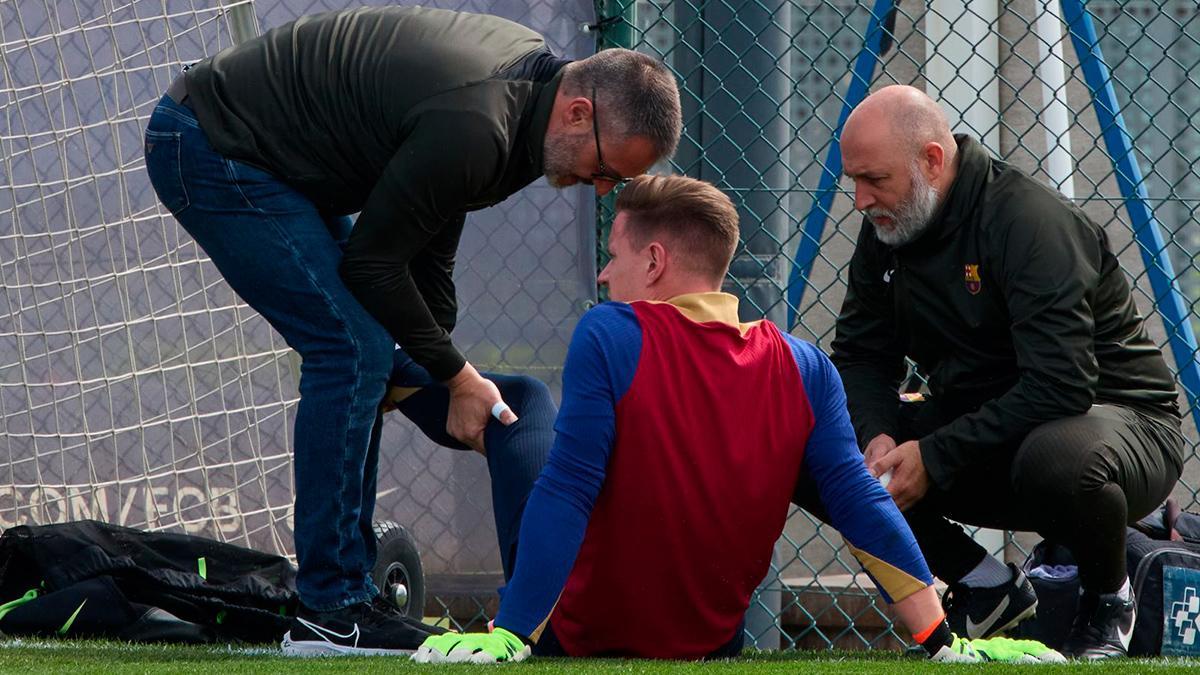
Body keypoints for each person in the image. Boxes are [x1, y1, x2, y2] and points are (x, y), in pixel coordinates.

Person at [142, 5, 682, 656]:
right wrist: (455, 377)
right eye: (605, 171)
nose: (600, 190)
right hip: (211, 141)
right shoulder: (481, 124)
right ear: (577, 112)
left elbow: (430, 237)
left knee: (372, 348)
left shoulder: (527, 103)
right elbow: (373, 263)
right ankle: (331, 610)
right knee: (350, 345)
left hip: (272, 149)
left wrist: (434, 361)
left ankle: (347, 589)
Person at [412, 174, 1063, 663]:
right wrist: (940, 640)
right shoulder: (806, 366)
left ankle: (395, 378)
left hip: (577, 631)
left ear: (656, 261)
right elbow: (862, 506)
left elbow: (568, 486)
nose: (605, 274)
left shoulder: (608, 331)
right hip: (710, 642)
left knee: (519, 401)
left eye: (614, 255)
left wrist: (512, 632)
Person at [829, 84, 1185, 659]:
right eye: (853, 181)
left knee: (1059, 454)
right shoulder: (888, 232)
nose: (861, 200)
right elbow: (861, 357)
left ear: (932, 161)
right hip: (990, 430)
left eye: (875, 179)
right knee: (808, 438)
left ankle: (1109, 601)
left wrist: (936, 455)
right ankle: (983, 585)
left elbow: (1062, 384)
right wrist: (878, 437)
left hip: (1117, 423)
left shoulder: (1028, 222)